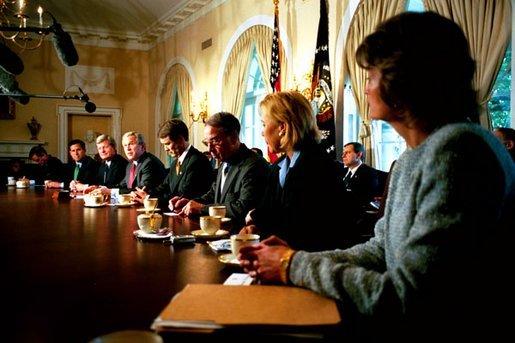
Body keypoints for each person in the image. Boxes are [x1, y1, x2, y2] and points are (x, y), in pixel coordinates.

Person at [239, 12, 515, 342]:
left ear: (404, 81)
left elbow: (409, 300)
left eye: (370, 76)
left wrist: (292, 265)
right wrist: (295, 259)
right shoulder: (415, 155)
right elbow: (380, 249)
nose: (365, 88)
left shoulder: (458, 151)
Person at [240, 91, 355, 250]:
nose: (262, 131)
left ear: (282, 127)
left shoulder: (319, 168)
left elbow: (299, 226)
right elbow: (274, 211)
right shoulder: (277, 167)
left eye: (264, 124)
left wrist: (256, 217)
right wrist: (256, 228)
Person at [171, 112, 269, 228]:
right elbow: (213, 195)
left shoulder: (254, 165)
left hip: (240, 237)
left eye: (215, 141)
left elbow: (242, 208)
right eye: (207, 143)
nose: (209, 149)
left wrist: (202, 208)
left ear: (233, 138)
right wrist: (189, 202)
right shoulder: (224, 162)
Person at [133, 119, 213, 207]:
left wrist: (149, 199)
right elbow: (164, 186)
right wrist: (145, 194)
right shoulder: (176, 162)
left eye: (167, 143)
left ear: (180, 140)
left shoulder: (197, 160)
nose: (165, 149)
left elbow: (183, 195)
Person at [340, 142, 382, 207]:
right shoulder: (341, 172)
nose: (343, 156)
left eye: (348, 153)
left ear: (359, 155)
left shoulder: (369, 173)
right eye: (343, 153)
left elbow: (364, 200)